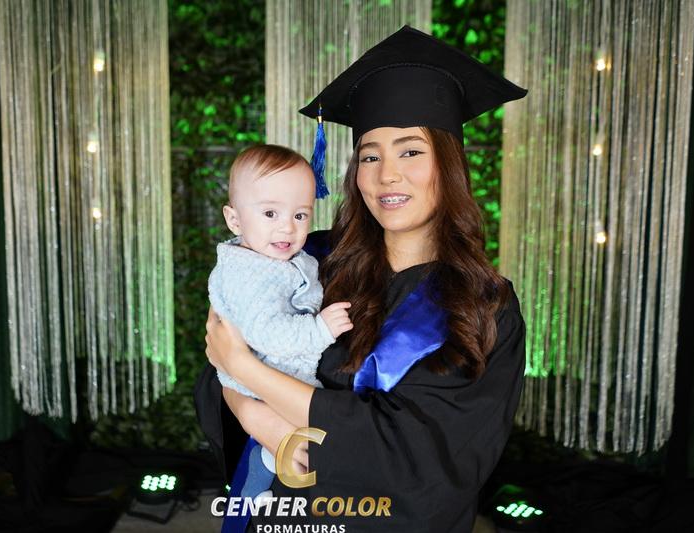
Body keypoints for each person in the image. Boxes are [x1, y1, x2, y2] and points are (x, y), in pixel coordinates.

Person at [195, 25, 527, 532]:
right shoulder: (306, 258)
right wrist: (251, 411)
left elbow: (423, 462)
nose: (387, 174)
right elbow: (217, 360)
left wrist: (246, 370)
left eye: (410, 151)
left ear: (449, 164)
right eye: (370, 155)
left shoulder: (484, 305)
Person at [209, 144, 353, 501]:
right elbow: (267, 334)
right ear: (234, 220)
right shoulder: (252, 274)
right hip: (269, 377)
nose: (287, 227)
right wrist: (320, 329)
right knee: (314, 444)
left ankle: (260, 478)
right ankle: (256, 487)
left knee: (297, 449)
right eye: (270, 213)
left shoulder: (268, 256)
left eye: (300, 215)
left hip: (261, 379)